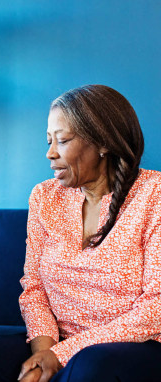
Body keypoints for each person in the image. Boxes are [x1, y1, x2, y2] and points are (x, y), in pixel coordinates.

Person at [18, 85, 161, 382]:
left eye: (63, 140)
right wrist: (42, 356)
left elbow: (156, 308)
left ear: (102, 143)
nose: (50, 153)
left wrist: (61, 355)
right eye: (48, 141)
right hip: (57, 346)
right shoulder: (45, 197)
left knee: (91, 369)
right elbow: (34, 289)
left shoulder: (154, 194)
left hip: (136, 346)